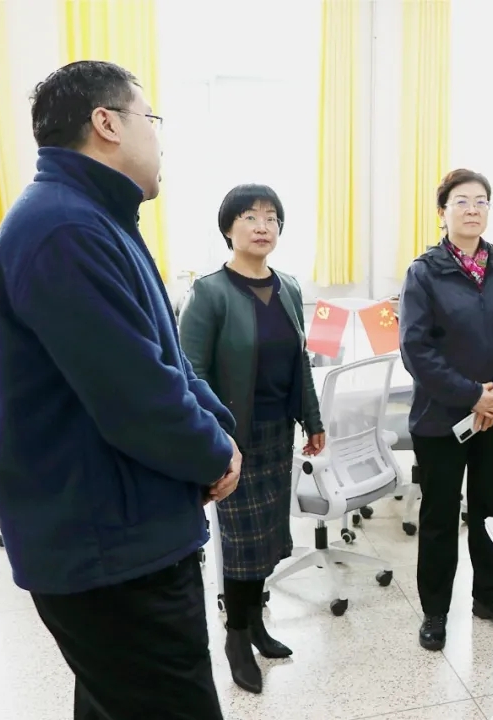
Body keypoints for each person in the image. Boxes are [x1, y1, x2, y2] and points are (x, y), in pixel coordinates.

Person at [0, 61, 239, 718]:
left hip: (118, 531)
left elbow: (164, 357)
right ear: (106, 123)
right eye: (150, 119)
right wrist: (215, 452)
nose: (159, 139)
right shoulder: (66, 230)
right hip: (113, 549)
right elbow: (137, 399)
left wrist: (218, 428)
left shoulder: (95, 218)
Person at [179, 184, 325, 694]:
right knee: (241, 545)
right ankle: (236, 637)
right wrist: (217, 440)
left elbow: (300, 360)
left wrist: (313, 419)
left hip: (277, 432)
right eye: (249, 216)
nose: (262, 226)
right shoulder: (209, 292)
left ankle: (257, 624)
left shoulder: (288, 286)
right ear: (228, 228)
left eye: (271, 217)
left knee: (266, 539)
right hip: (233, 438)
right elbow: (191, 374)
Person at [398, 168, 493, 651]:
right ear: (443, 212)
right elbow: (416, 350)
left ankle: (489, 597)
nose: (473, 209)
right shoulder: (424, 272)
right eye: (462, 201)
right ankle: (435, 611)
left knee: (487, 511)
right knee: (440, 516)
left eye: (481, 201)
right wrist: (471, 395)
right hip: (441, 418)